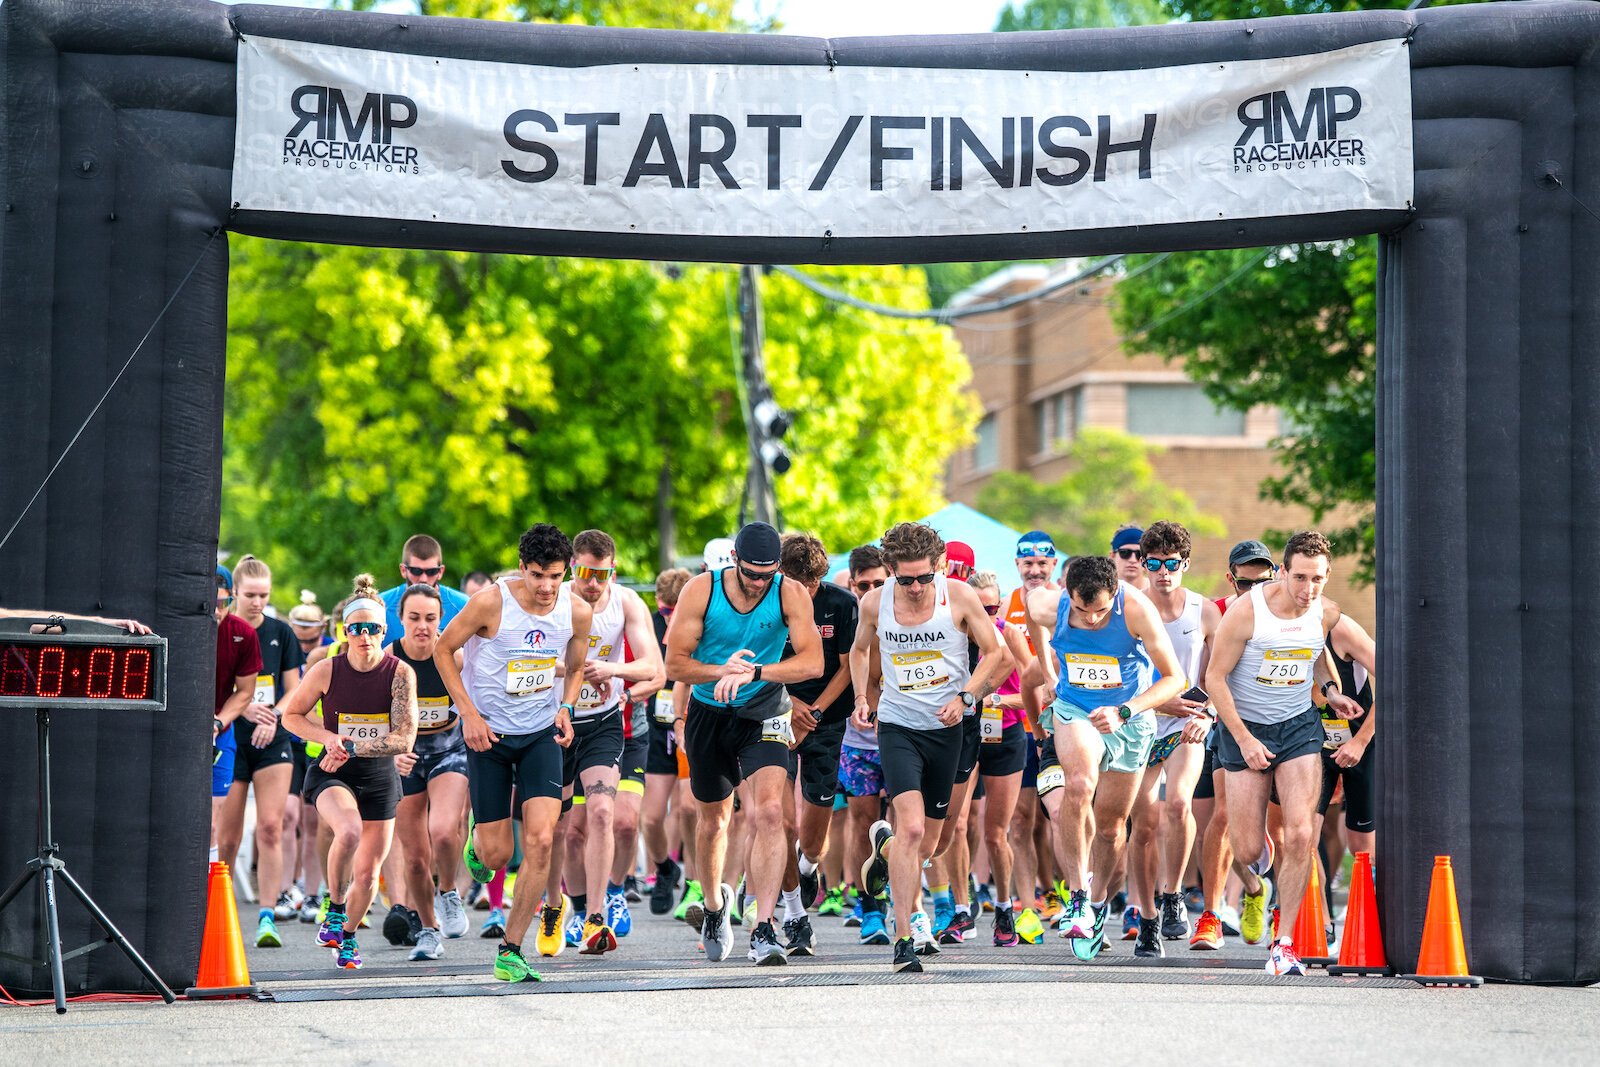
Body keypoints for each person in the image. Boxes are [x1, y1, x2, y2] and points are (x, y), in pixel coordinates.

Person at [850, 522, 1011, 973]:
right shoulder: (874, 603)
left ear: (938, 566)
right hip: (898, 727)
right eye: (905, 579)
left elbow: (996, 653)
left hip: (948, 729)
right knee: (914, 830)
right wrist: (864, 697)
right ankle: (904, 936)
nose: (916, 587)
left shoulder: (958, 596)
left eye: (923, 577)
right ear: (890, 571)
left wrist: (967, 697)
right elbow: (860, 651)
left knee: (933, 846)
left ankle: (885, 849)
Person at [434, 523, 593, 982]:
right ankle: (478, 844)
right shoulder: (491, 602)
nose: (546, 587)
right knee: (498, 855)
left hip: (542, 732)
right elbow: (444, 650)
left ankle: (510, 950)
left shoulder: (576, 611)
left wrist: (566, 706)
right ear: (522, 568)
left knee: (543, 838)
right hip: (490, 736)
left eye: (556, 576)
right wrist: (468, 714)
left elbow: (577, 666)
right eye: (538, 574)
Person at [1206, 530, 1365, 977]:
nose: (1307, 589)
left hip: (1298, 728)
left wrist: (1331, 692)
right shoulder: (1245, 612)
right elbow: (1215, 678)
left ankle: (1285, 943)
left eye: (1316, 579)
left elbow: (1314, 652)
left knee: (1300, 836)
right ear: (1282, 571)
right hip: (1245, 728)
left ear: (1327, 576)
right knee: (1247, 846)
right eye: (1299, 577)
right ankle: (1254, 889)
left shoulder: (1326, 613)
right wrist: (1244, 739)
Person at [665, 521, 823, 966]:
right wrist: (722, 670)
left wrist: (755, 673)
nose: (757, 583)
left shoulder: (788, 591)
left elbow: (813, 662)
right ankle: (715, 905)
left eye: (766, 574)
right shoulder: (701, 590)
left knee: (771, 812)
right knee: (714, 822)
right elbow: (674, 664)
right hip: (709, 711)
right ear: (734, 561)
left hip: (765, 709)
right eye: (751, 573)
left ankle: (764, 928)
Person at [1025, 554, 1186, 962]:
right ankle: (1077, 897)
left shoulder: (1136, 609)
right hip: (1076, 710)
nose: (1092, 619)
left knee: (1113, 829)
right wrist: (1049, 673)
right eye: (1082, 609)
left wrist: (1126, 710)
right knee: (1078, 785)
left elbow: (1174, 678)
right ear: (1068, 595)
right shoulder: (1049, 603)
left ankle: (1096, 906)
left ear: (1114, 595)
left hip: (1128, 719)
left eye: (1100, 610)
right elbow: (1032, 616)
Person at [278, 574, 419, 970]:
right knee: (349, 831)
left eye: (372, 629)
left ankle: (350, 937)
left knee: (370, 873)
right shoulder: (326, 669)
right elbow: (291, 715)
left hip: (378, 775)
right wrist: (328, 738)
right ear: (345, 631)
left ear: (383, 630)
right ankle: (335, 908)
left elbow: (405, 737)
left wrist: (351, 744)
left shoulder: (399, 673)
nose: (364, 637)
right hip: (332, 770)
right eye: (356, 628)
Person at [545, 529, 664, 955]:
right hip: (554, 725)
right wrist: (573, 673)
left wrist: (612, 673)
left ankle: (600, 909)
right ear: (572, 568)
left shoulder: (627, 602)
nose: (592, 583)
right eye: (584, 573)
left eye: (602, 574)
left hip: (607, 724)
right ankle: (568, 907)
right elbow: (525, 658)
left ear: (613, 572)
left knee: (607, 815)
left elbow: (656, 668)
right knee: (563, 831)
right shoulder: (552, 598)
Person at [1125, 523, 1220, 957]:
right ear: (1143, 564)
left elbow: (1222, 674)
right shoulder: (1127, 608)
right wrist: (1159, 705)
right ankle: (1145, 918)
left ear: (1185, 564)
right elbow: (1118, 678)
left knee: (1179, 804)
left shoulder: (1204, 611)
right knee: (1142, 824)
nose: (1164, 573)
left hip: (1189, 725)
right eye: (1156, 564)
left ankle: (1173, 894)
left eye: (1172, 564)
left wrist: (1211, 714)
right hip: (1142, 723)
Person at [1191, 538, 1278, 950]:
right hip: (1230, 726)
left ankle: (1283, 908)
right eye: (1246, 585)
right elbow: (1205, 676)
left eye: (1264, 582)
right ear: (1231, 581)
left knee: (1280, 829)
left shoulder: (1289, 609)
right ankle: (1215, 912)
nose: (1255, 592)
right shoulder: (1218, 612)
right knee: (1220, 818)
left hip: (1283, 727)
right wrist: (1208, 710)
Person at [214, 556, 303, 949]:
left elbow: (294, 689)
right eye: (250, 595)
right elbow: (233, 689)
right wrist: (242, 704)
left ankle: (268, 915)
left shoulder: (281, 633)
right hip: (233, 737)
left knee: (271, 826)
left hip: (272, 740)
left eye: (264, 595)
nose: (257, 602)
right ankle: (220, 914)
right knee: (226, 837)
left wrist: (275, 719)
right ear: (234, 594)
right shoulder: (221, 629)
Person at [778, 532, 858, 956]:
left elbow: (848, 667)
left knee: (817, 819)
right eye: (799, 583)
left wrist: (816, 712)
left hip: (826, 717)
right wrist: (790, 705)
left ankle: (807, 865)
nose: (807, 591)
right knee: (780, 818)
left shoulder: (842, 603)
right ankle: (792, 912)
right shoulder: (769, 601)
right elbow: (758, 663)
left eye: (813, 584)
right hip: (776, 711)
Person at [388, 583, 471, 960]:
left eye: (431, 618)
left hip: (449, 750)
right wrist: (391, 754)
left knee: (442, 830)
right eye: (415, 618)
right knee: (416, 858)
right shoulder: (390, 660)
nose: (423, 626)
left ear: (441, 620)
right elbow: (376, 720)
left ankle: (449, 891)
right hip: (406, 757)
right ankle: (428, 930)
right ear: (401, 619)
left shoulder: (454, 655)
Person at [839, 545, 891, 945]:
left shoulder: (904, 616)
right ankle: (869, 906)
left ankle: (905, 902)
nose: (872, 589)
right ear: (853, 584)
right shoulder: (846, 616)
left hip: (901, 735)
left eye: (879, 582)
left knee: (904, 824)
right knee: (862, 823)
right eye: (865, 584)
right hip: (856, 741)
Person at [643, 568, 692, 915]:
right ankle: (664, 868)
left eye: (677, 611)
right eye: (665, 612)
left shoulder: (700, 621)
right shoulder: (648, 624)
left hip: (691, 724)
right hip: (657, 728)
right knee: (651, 817)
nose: (670, 619)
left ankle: (696, 882)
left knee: (690, 808)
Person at [212, 565, 261, 868]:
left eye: (223, 603)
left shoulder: (243, 634)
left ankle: (204, 900)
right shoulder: (176, 626)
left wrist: (218, 722)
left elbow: (245, 692)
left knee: (213, 825)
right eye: (210, 603)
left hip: (220, 731)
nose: (216, 611)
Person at [380, 534, 470, 641]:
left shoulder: (464, 607)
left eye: (431, 572)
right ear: (403, 570)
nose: (423, 579)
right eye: (416, 571)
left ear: (440, 572)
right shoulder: (381, 607)